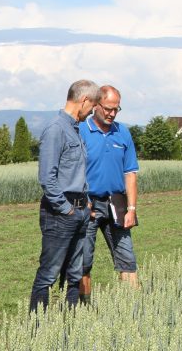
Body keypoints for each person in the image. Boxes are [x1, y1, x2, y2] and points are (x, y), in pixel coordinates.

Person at [29, 80, 100, 312]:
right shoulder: (56, 129)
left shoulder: (74, 129)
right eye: (92, 107)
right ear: (84, 101)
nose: (91, 113)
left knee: (75, 273)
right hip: (61, 212)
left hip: (80, 210)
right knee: (49, 273)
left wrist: (85, 203)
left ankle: (69, 322)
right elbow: (47, 178)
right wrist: (66, 208)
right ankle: (37, 327)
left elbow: (76, 172)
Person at [78, 85, 140, 302]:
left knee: (127, 257)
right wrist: (82, 203)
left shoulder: (122, 132)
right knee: (83, 261)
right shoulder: (80, 131)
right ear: (95, 105)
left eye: (117, 109)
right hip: (88, 205)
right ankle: (83, 310)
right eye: (108, 109)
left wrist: (131, 209)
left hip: (117, 204)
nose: (112, 114)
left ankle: (133, 310)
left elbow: (130, 173)